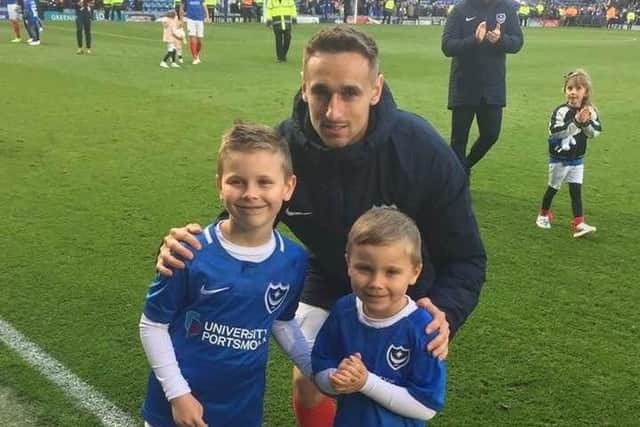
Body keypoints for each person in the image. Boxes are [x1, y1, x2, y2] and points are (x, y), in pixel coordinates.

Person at [156, 25, 486, 427]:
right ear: (303, 87)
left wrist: (446, 312)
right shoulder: (285, 149)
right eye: (320, 92)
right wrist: (191, 249)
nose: (333, 112)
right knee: (313, 378)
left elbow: (467, 257)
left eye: (350, 93)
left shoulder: (422, 152)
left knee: (387, 395)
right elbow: (242, 223)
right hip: (328, 273)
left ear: (376, 89)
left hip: (404, 286)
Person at [140, 122, 312, 427]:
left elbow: (281, 321)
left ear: (288, 186)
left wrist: (317, 370)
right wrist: (178, 395)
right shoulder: (188, 250)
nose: (251, 194)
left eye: (264, 182)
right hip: (176, 408)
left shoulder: (294, 259)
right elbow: (153, 325)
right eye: (237, 181)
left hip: (240, 409)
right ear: (219, 185)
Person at [312, 207, 446, 426]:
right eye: (365, 269)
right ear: (348, 264)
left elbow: (426, 406)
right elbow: (320, 364)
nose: (376, 283)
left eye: (391, 272)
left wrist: (366, 383)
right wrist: (334, 380)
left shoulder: (425, 329)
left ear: (414, 272)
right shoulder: (344, 310)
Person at [441, 0, 523, 180]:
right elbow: (447, 46)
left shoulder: (507, 8)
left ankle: (465, 166)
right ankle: (458, 184)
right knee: (458, 141)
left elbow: (518, 41)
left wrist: (500, 40)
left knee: (491, 134)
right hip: (464, 85)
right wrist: (474, 40)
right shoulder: (461, 9)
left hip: (492, 85)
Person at [535, 69, 602, 238]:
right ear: (565, 90)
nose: (573, 92)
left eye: (578, 88)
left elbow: (595, 133)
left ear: (585, 92)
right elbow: (555, 132)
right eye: (569, 88)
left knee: (576, 190)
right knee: (553, 187)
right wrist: (576, 122)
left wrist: (586, 122)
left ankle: (579, 222)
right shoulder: (561, 111)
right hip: (560, 159)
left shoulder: (591, 111)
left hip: (577, 160)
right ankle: (543, 215)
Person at [181, 0, 209, 64]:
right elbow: (181, 7)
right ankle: (195, 58)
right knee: (193, 39)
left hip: (200, 19)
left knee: (200, 41)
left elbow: (204, 6)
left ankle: (196, 54)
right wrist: (181, 19)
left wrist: (207, 16)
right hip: (190, 20)